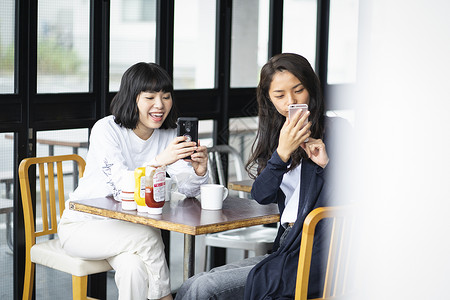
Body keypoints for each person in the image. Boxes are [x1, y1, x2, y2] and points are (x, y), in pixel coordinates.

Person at [175, 53, 350, 300]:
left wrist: (326, 164)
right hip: (285, 246)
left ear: (310, 88)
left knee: (204, 289)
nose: (291, 101)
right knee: (194, 283)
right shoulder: (277, 137)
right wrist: (282, 152)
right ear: (269, 99)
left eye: (298, 90)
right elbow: (262, 194)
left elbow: (354, 192)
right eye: (279, 95)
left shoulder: (337, 131)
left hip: (317, 253)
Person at [57, 62, 209, 300]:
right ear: (132, 98)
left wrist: (199, 171)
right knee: (148, 236)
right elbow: (120, 188)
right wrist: (160, 161)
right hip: (82, 226)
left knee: (133, 269)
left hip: (127, 231)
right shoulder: (106, 129)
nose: (160, 105)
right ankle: (164, 297)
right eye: (150, 97)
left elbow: (189, 190)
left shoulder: (169, 134)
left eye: (166, 97)